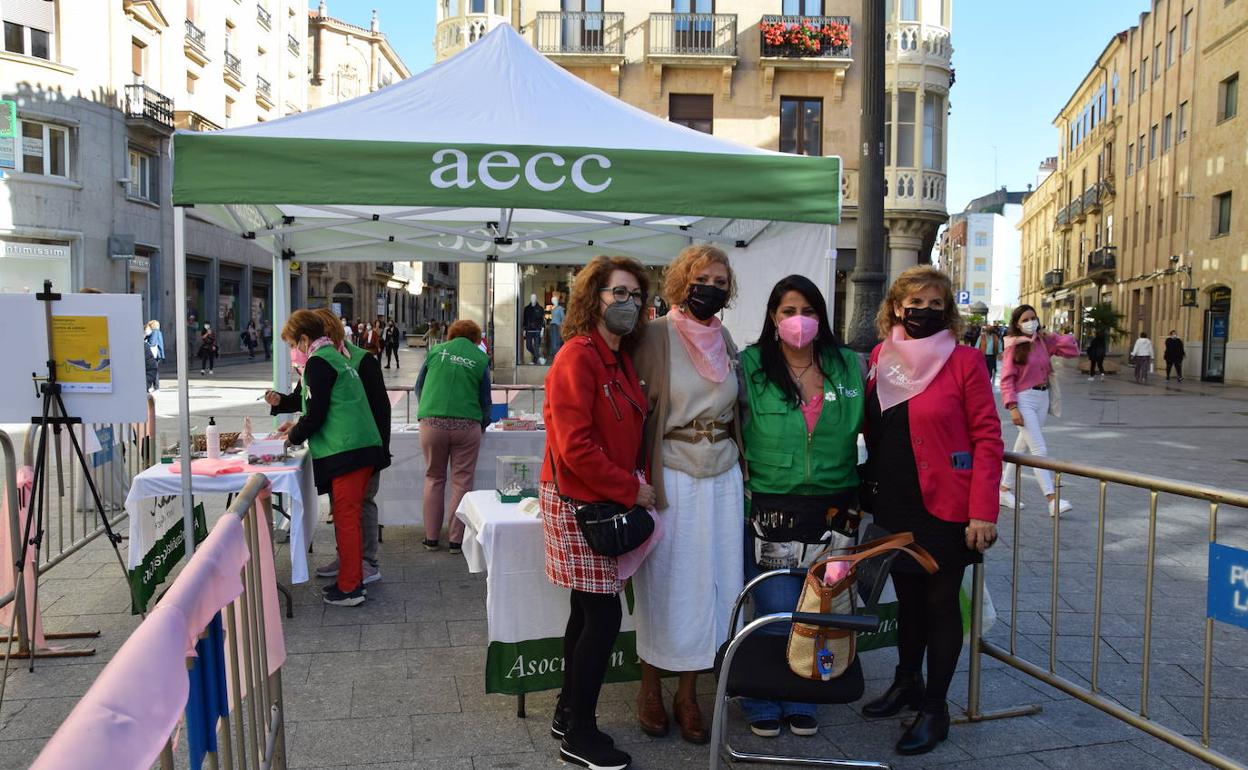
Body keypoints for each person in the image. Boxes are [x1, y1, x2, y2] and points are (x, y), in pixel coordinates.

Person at [860, 266, 1003, 755]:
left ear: (947, 311)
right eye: (912, 302)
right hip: (893, 499)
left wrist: (983, 511)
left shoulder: (963, 361)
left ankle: (936, 707)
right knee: (908, 600)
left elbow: (988, 437)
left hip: (946, 504)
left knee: (941, 603)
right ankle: (907, 683)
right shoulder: (882, 356)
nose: (922, 310)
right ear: (896, 307)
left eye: (934, 303)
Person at [737, 274, 865, 740]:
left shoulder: (848, 365)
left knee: (820, 607)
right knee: (774, 607)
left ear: (821, 317)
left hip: (835, 508)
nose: (799, 320)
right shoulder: (749, 364)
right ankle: (761, 697)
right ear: (773, 318)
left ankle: (803, 695)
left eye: (808, 311)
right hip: (773, 505)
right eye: (789, 311)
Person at [541, 255, 653, 770]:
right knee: (602, 614)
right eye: (617, 293)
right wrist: (632, 491)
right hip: (581, 498)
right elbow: (574, 448)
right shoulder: (577, 356)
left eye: (634, 294)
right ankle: (580, 734)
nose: (627, 303)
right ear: (595, 298)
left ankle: (568, 711)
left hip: (600, 497)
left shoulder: (620, 356)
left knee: (587, 611)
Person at [630, 245, 743, 745]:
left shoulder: (727, 338)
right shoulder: (653, 335)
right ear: (681, 282)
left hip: (723, 475)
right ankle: (651, 686)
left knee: (714, 583)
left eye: (721, 280)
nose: (712, 287)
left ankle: (688, 693)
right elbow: (632, 412)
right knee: (668, 580)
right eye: (703, 278)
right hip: (672, 471)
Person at [267, 309, 392, 586]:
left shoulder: (331, 361)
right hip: (352, 448)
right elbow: (309, 401)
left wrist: (292, 438)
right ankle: (350, 568)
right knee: (345, 516)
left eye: (291, 345)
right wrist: (282, 405)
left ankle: (354, 580)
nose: (292, 351)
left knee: (352, 515)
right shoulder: (331, 358)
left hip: (350, 449)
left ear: (303, 337)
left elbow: (319, 412)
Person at [414, 319, 492, 553]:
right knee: (462, 481)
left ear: (451, 335)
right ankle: (456, 540)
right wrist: (482, 424)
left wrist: (427, 410)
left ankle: (431, 538)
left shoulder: (435, 352)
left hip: (432, 423)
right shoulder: (480, 359)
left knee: (434, 478)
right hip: (466, 425)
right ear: (476, 338)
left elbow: (419, 387)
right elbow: (485, 400)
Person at [998, 305, 1080, 516]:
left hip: (1043, 398)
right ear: (1017, 323)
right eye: (1025, 319)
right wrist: (1013, 407)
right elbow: (1006, 380)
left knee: (1023, 446)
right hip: (1024, 400)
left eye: (1033, 318)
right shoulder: (1014, 346)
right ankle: (1052, 500)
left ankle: (1003, 489)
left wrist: (1050, 335)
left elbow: (1072, 350)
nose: (1030, 322)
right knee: (1039, 451)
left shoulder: (1042, 341)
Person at [523, 294, 544, 364]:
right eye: (532, 298)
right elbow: (525, 320)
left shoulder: (540, 308)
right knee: (528, 346)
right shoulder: (527, 309)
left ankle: (535, 361)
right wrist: (524, 329)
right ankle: (538, 356)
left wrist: (542, 330)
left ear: (536, 298)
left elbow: (542, 320)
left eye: (534, 298)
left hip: (537, 330)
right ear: (530, 299)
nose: (533, 299)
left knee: (537, 346)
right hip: (529, 329)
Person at [144, 320, 165, 390]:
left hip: (154, 354)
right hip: (158, 354)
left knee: (153, 369)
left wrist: (145, 343)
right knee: (155, 369)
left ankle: (156, 386)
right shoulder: (158, 332)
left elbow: (152, 343)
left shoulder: (155, 332)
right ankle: (156, 386)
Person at [549, 294, 565, 359]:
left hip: (557, 326)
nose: (555, 301)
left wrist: (562, 326)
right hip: (552, 326)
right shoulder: (552, 309)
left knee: (557, 341)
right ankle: (554, 357)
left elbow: (563, 318)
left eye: (555, 300)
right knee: (553, 341)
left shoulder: (560, 308)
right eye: (553, 300)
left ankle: (557, 357)